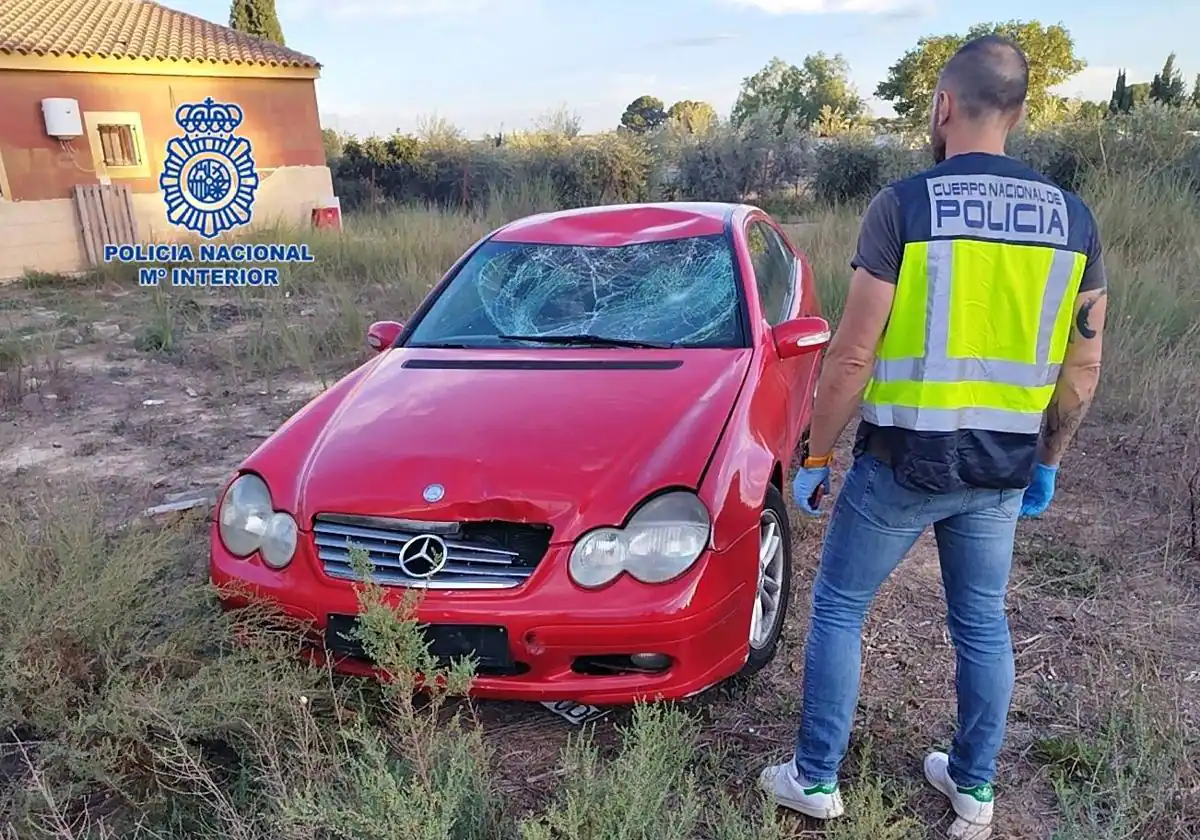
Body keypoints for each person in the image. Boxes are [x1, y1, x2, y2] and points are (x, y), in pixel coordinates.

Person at [757, 34, 1108, 839]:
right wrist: (1046, 460)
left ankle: (815, 778)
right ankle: (975, 789)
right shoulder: (1072, 219)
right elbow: (1082, 370)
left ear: (943, 106)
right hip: (1002, 467)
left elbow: (850, 354)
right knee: (981, 622)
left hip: (902, 463)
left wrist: (813, 453)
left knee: (841, 608)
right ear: (1019, 112)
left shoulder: (905, 204)